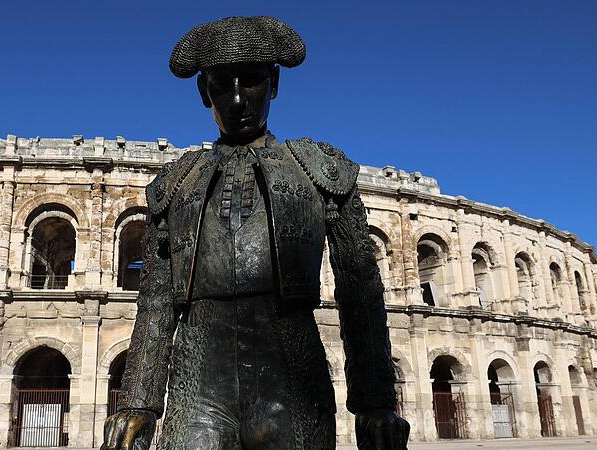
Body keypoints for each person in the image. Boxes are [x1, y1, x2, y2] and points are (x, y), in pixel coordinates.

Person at [102, 16, 410, 450]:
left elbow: (359, 287)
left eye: (252, 81)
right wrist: (138, 401)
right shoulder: (176, 183)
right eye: (220, 84)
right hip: (199, 367)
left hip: (289, 364)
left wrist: (376, 401)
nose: (237, 99)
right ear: (202, 91)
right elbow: (155, 300)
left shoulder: (319, 170)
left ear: (274, 84)